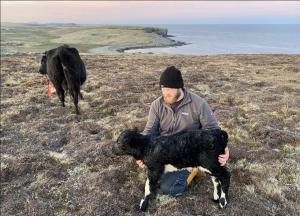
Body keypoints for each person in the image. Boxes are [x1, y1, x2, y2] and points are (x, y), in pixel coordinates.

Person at [137, 65, 229, 197]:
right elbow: (149, 131)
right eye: (163, 88)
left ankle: (195, 169)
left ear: (180, 87)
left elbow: (213, 130)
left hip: (189, 154)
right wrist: (141, 151)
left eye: (170, 89)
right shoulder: (156, 105)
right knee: (153, 180)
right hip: (164, 152)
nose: (166, 93)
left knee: (169, 188)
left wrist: (224, 148)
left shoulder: (199, 104)